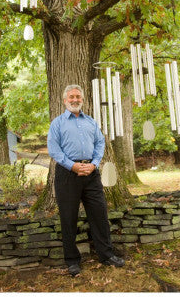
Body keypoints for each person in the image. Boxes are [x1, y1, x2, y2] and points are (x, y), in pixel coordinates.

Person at [47, 84, 125, 276]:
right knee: (68, 218)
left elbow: (100, 142)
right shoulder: (57, 123)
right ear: (65, 100)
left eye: (78, 97)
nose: (75, 100)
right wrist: (72, 165)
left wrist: (95, 163)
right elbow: (53, 149)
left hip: (91, 173)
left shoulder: (90, 121)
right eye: (71, 97)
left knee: (99, 214)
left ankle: (106, 255)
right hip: (67, 174)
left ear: (82, 100)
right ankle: (72, 261)